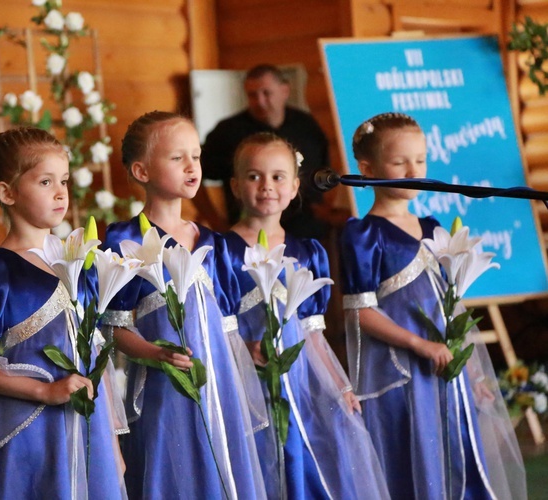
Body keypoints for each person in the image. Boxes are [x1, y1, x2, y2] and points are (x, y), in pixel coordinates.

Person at [340, 113, 526, 499]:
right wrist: (418, 344)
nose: (414, 170)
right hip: (403, 373)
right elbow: (360, 311)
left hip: (445, 369)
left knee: (459, 456)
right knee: (415, 461)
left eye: (421, 160)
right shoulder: (363, 234)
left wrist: (472, 372)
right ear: (367, 168)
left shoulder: (432, 226)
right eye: (399, 162)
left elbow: (449, 305)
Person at [0, 128, 127, 500]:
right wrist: (45, 390)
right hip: (33, 430)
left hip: (91, 429)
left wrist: (113, 444)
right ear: (8, 193)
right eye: (45, 181)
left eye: (64, 180)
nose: (61, 192)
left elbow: (95, 358)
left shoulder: (79, 261)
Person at [100, 111, 268, 499]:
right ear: (141, 171)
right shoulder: (125, 239)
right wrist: (155, 353)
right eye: (178, 158)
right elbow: (115, 326)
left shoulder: (215, 242)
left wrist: (243, 373)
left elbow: (227, 328)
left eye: (195, 156)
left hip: (218, 382)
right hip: (165, 387)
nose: (192, 167)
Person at [224, 132, 390, 500]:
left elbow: (313, 331)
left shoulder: (309, 252)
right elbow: (219, 326)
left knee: (311, 465)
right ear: (236, 186)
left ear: (296, 185)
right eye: (254, 176)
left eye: (278, 177)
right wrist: (242, 347)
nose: (267, 186)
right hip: (247, 388)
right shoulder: (221, 251)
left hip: (302, 383)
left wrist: (341, 386)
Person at [199, 64, 330, 239]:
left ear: (285, 91)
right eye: (252, 95)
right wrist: (213, 219)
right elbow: (195, 174)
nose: (260, 101)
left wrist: (327, 210)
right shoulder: (227, 132)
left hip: (306, 231)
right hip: (249, 235)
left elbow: (324, 169)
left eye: (266, 93)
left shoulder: (306, 125)